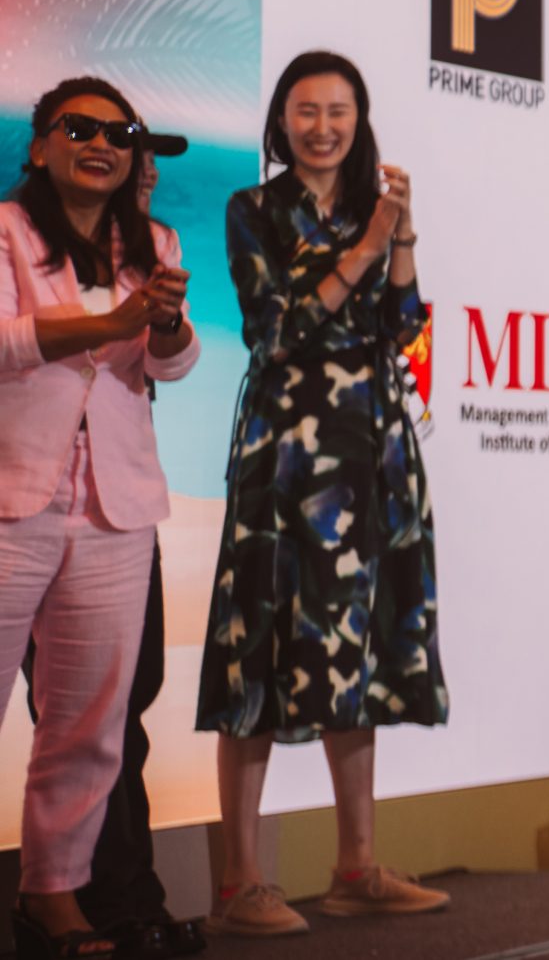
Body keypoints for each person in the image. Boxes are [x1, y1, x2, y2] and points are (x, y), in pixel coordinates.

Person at [196, 53, 449, 937]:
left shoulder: (371, 208)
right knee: (257, 652)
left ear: (358, 119)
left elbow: (404, 327)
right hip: (282, 462)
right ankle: (239, 882)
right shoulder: (253, 210)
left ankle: (355, 868)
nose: (323, 126)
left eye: (339, 110)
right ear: (282, 120)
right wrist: (368, 246)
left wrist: (401, 237)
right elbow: (275, 331)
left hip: (369, 456)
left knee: (357, 648)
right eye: (306, 110)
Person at [1, 79, 202, 960]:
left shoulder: (154, 243)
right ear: (40, 145)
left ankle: (53, 900)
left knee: (88, 724)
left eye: (119, 133)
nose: (102, 143)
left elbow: (173, 361)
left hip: (115, 509)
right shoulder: (8, 229)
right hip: (11, 497)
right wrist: (107, 321)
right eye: (78, 127)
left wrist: (165, 325)